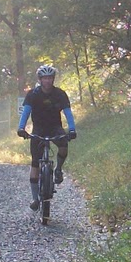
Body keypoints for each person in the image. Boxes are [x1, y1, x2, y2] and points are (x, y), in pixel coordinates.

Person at [15, 63, 77, 211]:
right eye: (45, 78)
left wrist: (72, 129)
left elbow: (68, 112)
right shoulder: (33, 94)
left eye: (50, 78)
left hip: (55, 127)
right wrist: (21, 128)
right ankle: (35, 198)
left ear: (53, 79)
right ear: (40, 79)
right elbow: (26, 112)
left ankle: (58, 169)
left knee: (63, 146)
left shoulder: (60, 94)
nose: (47, 81)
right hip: (39, 128)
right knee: (35, 162)